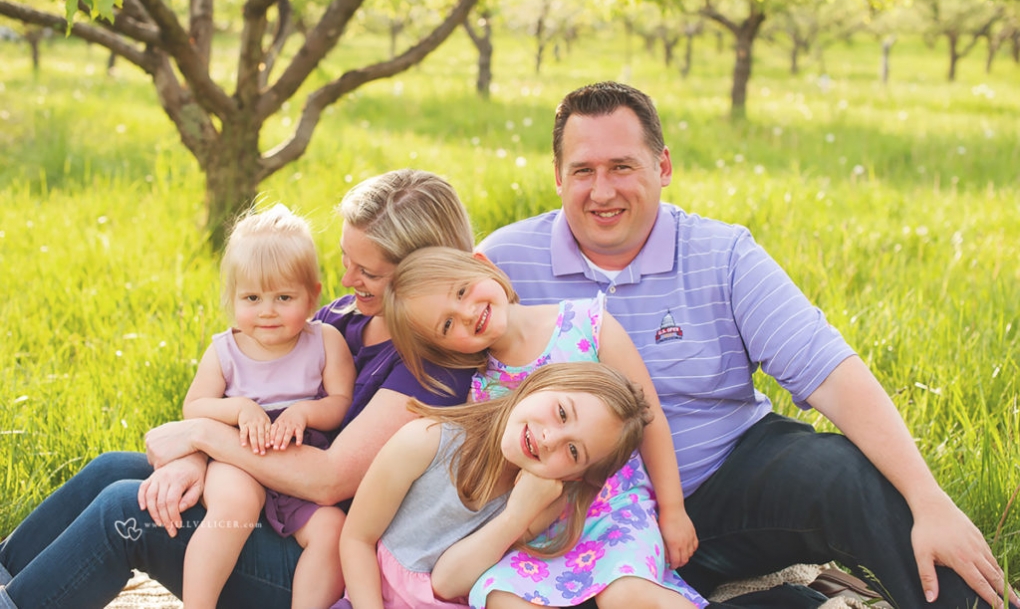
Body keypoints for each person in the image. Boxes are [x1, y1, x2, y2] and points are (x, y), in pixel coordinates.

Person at [476, 81, 1019, 609]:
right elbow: (430, 348)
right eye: (583, 171)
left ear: (662, 167)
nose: (602, 191)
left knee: (838, 473)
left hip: (721, 483)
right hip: (584, 526)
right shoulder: (505, 262)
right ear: (556, 176)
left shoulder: (722, 253)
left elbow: (829, 370)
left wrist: (929, 500)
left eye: (622, 167)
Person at [0, 169, 476, 609]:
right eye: (346, 261)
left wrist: (202, 438)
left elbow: (330, 479)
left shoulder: (431, 367)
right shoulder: (347, 317)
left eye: (368, 273)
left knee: (128, 512)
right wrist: (194, 459)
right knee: (113, 471)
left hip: (326, 558)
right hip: (268, 502)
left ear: (424, 272)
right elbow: (253, 388)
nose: (348, 281)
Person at [384, 247, 706, 609]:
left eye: (461, 292)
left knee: (624, 593)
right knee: (497, 595)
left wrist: (673, 508)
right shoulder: (483, 388)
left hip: (617, 508)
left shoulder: (588, 323)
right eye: (446, 326)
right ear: (445, 349)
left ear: (484, 264)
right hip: (539, 527)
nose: (467, 314)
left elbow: (649, 416)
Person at [339, 362, 671, 609]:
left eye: (573, 451)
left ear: (575, 477)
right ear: (541, 382)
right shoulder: (426, 440)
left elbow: (446, 583)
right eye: (561, 413)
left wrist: (515, 516)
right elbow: (356, 538)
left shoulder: (543, 497)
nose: (549, 438)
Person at [181, 204, 355, 609]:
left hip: (301, 459)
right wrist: (239, 408)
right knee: (234, 506)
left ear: (313, 295)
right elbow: (195, 407)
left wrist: (304, 412)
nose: (267, 310)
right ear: (232, 298)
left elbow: (341, 403)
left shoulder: (325, 341)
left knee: (332, 529)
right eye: (252, 297)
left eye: (284, 296)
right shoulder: (225, 351)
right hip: (239, 456)